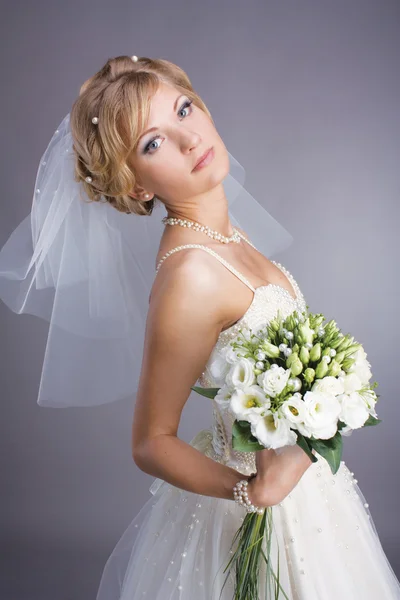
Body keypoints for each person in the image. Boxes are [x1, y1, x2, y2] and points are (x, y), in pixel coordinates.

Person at [1, 55, 400, 599]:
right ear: (136, 186)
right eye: (153, 143)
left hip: (314, 500)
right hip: (264, 514)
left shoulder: (229, 237)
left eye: (183, 109)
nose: (189, 140)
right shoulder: (191, 272)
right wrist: (251, 490)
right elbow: (150, 442)